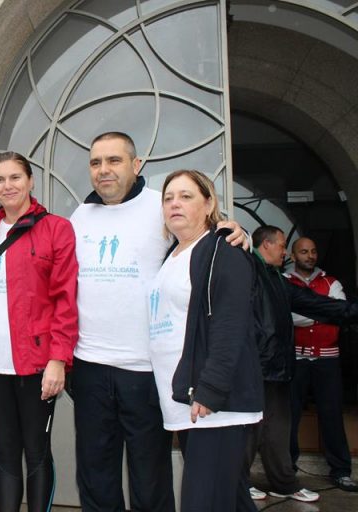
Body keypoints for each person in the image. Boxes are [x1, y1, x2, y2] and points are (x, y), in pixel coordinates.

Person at [70, 132, 246, 512]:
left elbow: (203, 235)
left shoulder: (161, 205)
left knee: (150, 477)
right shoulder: (79, 216)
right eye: (96, 162)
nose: (104, 170)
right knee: (95, 475)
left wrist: (235, 231)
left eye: (114, 160)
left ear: (136, 165)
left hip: (147, 371)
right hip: (89, 367)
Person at [0, 151, 78, 512]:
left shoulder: (56, 229)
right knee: (5, 453)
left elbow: (65, 299)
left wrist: (58, 359)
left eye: (15, 177)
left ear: (30, 181)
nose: (8, 186)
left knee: (36, 452)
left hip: (37, 365)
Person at [148, 170, 262, 512]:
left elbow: (231, 325)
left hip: (213, 404)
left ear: (209, 204)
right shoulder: (174, 253)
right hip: (187, 401)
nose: (175, 204)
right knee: (230, 499)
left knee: (203, 502)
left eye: (186, 196)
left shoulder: (222, 249)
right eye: (168, 198)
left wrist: (211, 389)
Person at [244, 226, 358, 503]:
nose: (285, 252)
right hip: (257, 366)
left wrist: (351, 310)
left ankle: (284, 483)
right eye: (282, 245)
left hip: (278, 367)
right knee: (250, 428)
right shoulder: (247, 270)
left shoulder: (275, 278)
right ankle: (239, 483)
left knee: (278, 428)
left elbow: (314, 304)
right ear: (266, 245)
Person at [285, 237, 358, 492]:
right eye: (304, 251)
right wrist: (323, 313)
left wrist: (309, 313)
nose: (310, 256)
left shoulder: (331, 282)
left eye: (313, 251)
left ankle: (341, 471)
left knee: (332, 415)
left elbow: (340, 312)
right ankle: (287, 470)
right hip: (296, 358)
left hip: (327, 358)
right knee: (289, 416)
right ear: (293, 256)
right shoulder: (284, 281)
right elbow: (285, 316)